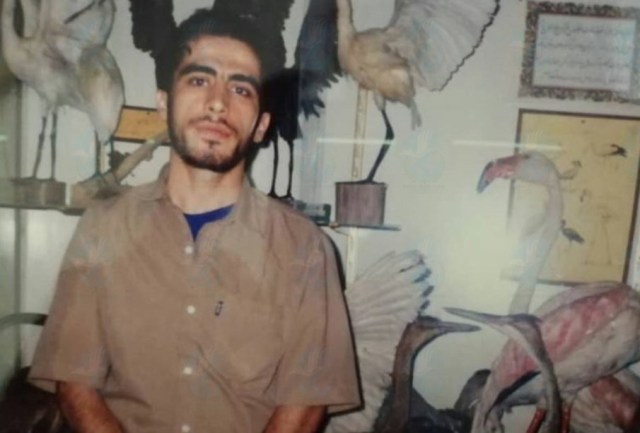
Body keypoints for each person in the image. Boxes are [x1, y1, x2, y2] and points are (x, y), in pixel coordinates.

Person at [29, 9, 360, 433]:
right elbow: (74, 380)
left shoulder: (304, 248)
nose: (218, 103)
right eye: (199, 80)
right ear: (163, 103)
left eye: (240, 89)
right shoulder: (101, 229)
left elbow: (306, 402)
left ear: (261, 126)